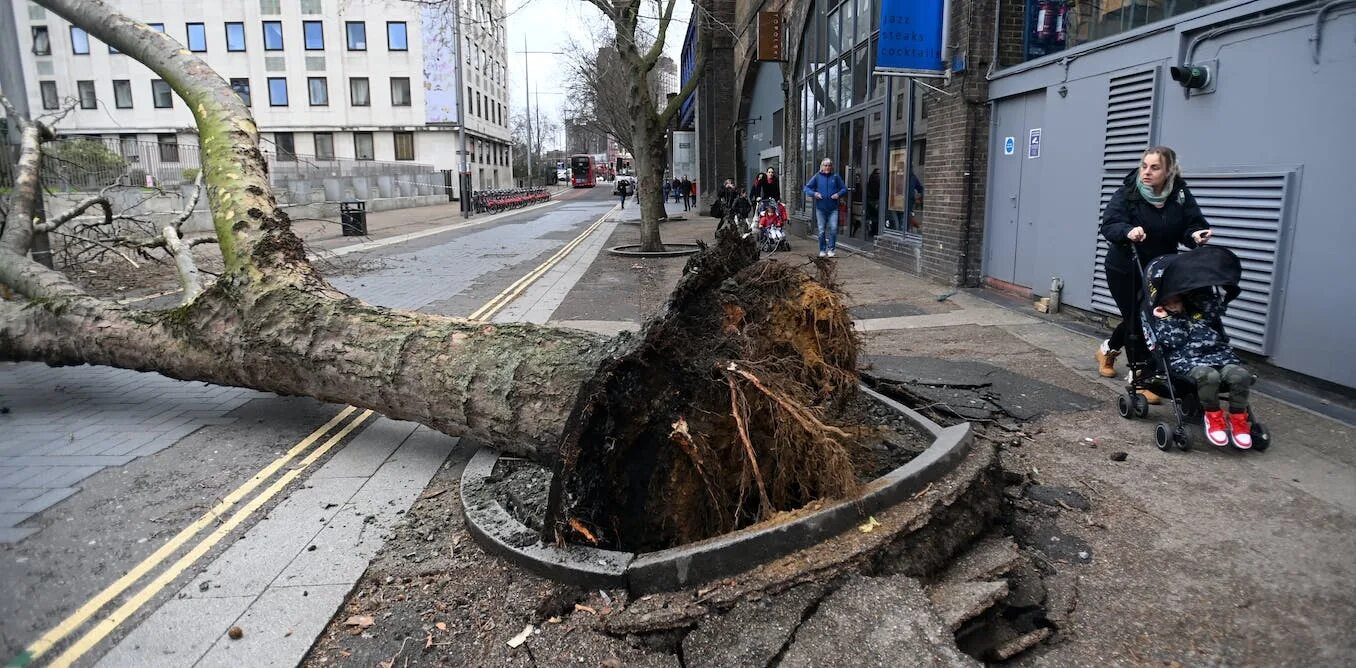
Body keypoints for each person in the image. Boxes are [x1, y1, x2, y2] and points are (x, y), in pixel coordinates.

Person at [1097, 146, 1211, 403]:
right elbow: (1110, 223)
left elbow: (1192, 223)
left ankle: (1108, 350)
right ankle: (1140, 376)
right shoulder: (1129, 192)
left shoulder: (1179, 194)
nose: (1146, 172)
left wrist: (1196, 235)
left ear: (1169, 170)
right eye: (1144, 166)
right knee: (1137, 317)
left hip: (1160, 268)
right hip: (1126, 266)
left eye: (1154, 167)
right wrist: (1128, 231)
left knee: (1141, 316)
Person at [1151, 290, 1254, 449]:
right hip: (1188, 362)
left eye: (1176, 301)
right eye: (1168, 303)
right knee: (1209, 376)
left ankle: (1238, 418)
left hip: (1219, 356)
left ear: (1183, 300)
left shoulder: (1200, 313)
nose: (1173, 306)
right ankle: (1213, 416)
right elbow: (1173, 341)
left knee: (1240, 376)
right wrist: (1166, 318)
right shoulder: (1164, 320)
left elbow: (1216, 313)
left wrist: (1214, 295)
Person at [803, 157, 848, 258]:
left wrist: (838, 194)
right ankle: (822, 250)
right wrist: (814, 194)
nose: (827, 167)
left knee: (833, 229)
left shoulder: (835, 177)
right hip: (821, 209)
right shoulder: (817, 177)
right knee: (822, 230)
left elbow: (844, 189)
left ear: (831, 167)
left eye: (829, 165)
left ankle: (831, 249)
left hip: (833, 209)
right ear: (822, 167)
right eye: (825, 165)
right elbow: (806, 188)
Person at [865, 168, 881, 236]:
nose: (879, 175)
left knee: (873, 217)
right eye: (878, 174)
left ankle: (872, 231)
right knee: (876, 217)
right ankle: (874, 231)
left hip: (871, 201)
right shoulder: (877, 180)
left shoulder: (870, 181)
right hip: (874, 201)